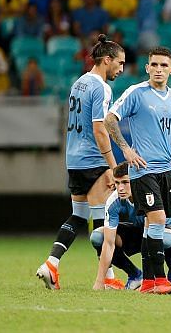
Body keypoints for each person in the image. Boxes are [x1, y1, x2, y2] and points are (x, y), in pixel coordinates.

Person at [36, 34, 125, 290]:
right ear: (106, 60)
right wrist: (112, 166)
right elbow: (99, 129)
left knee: (78, 216)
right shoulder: (101, 87)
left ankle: (51, 263)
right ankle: (106, 278)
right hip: (93, 160)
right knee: (101, 221)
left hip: (74, 159)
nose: (121, 69)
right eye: (119, 63)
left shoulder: (79, 83)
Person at [105, 46, 171, 295]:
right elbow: (110, 119)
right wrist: (126, 150)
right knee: (158, 220)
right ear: (147, 67)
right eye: (154, 65)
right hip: (144, 170)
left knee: (156, 223)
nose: (158, 69)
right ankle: (160, 279)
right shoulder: (137, 93)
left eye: (164, 65)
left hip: (166, 170)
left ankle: (149, 281)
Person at [91, 162, 171, 291]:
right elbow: (108, 244)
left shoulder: (151, 192)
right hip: (141, 232)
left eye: (125, 182)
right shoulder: (114, 201)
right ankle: (135, 275)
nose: (120, 188)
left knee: (165, 239)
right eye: (117, 183)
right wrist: (99, 282)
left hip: (169, 229)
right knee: (98, 236)